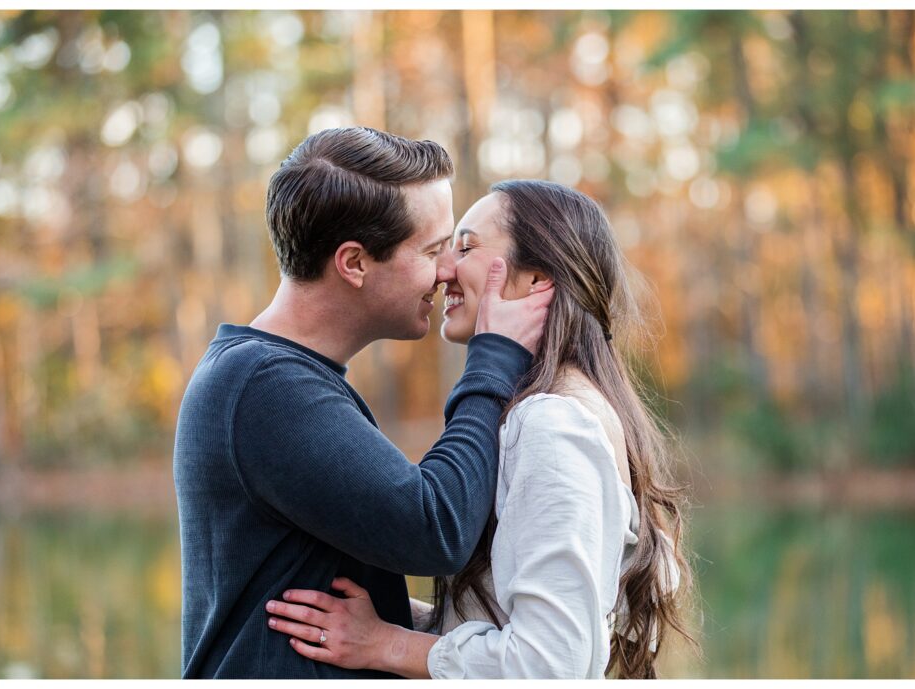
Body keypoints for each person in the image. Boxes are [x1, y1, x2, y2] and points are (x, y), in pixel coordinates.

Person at [264, 180, 694, 679]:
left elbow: (551, 663)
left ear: (536, 279)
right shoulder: (554, 409)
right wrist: (401, 615)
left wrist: (386, 644)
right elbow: (513, 617)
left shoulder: (552, 423)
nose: (443, 269)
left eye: (465, 247)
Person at [172, 128, 553, 678]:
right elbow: (436, 529)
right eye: (431, 249)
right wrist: (495, 358)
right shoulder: (265, 386)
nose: (448, 269)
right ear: (353, 263)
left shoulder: (277, 378)